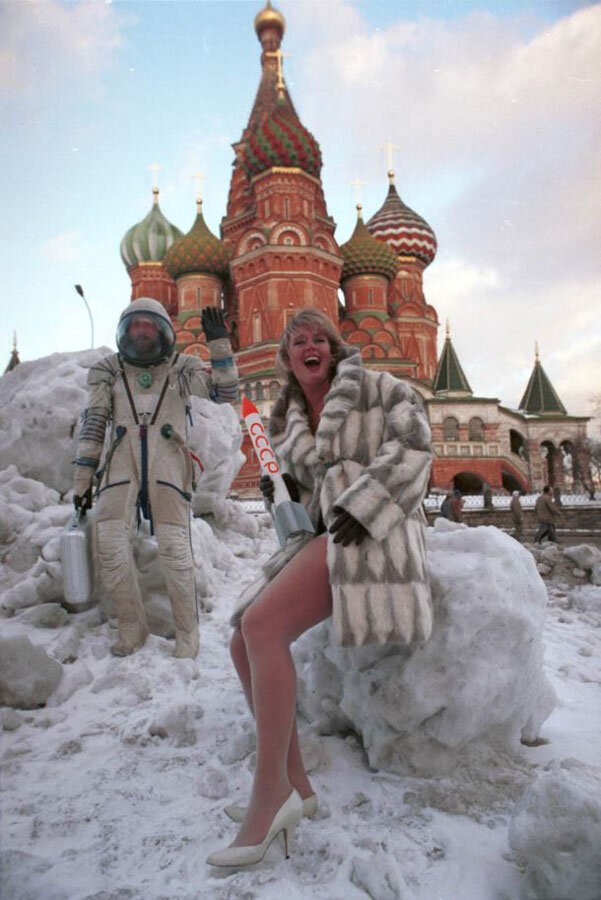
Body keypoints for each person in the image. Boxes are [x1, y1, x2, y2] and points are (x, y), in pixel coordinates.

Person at [206, 309, 433, 868]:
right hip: (326, 531)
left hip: (375, 532)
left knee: (262, 627)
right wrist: (277, 486)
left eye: (318, 339)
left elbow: (415, 446)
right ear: (285, 358)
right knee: (242, 639)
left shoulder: (381, 388)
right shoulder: (286, 418)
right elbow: (306, 495)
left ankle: (269, 796)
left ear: (333, 348)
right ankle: (296, 786)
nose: (309, 346)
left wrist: (367, 502)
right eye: (296, 341)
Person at [72, 297, 238, 658]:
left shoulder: (182, 368)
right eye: (135, 326)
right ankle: (132, 626)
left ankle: (187, 633)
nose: (142, 332)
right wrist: (83, 479)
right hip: (120, 460)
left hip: (168, 461)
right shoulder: (108, 371)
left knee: (176, 548)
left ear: (162, 331)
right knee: (110, 543)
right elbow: (95, 423)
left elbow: (226, 394)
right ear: (124, 332)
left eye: (149, 325)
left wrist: (219, 346)